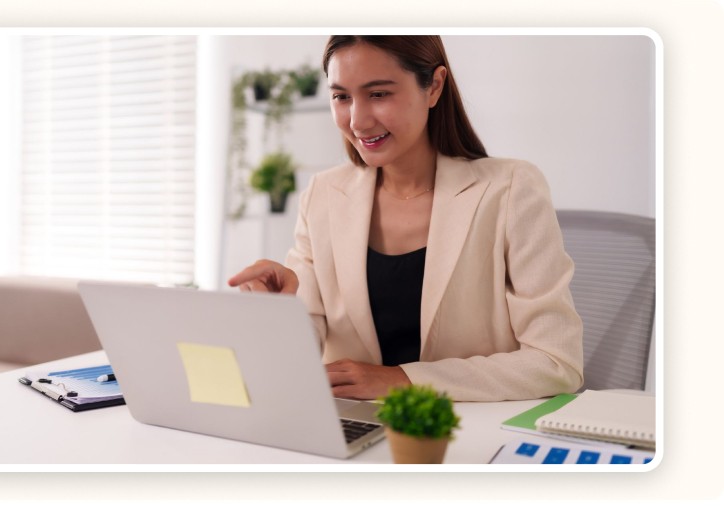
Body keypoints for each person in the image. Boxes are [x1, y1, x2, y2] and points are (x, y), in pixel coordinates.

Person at [228, 35, 583, 402]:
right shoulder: (324, 194)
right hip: (354, 433)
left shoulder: (510, 189)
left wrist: (402, 379)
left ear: (434, 87)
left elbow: (557, 363)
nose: (357, 120)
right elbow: (303, 349)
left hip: (465, 435)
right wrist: (280, 313)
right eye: (341, 96)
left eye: (379, 94)